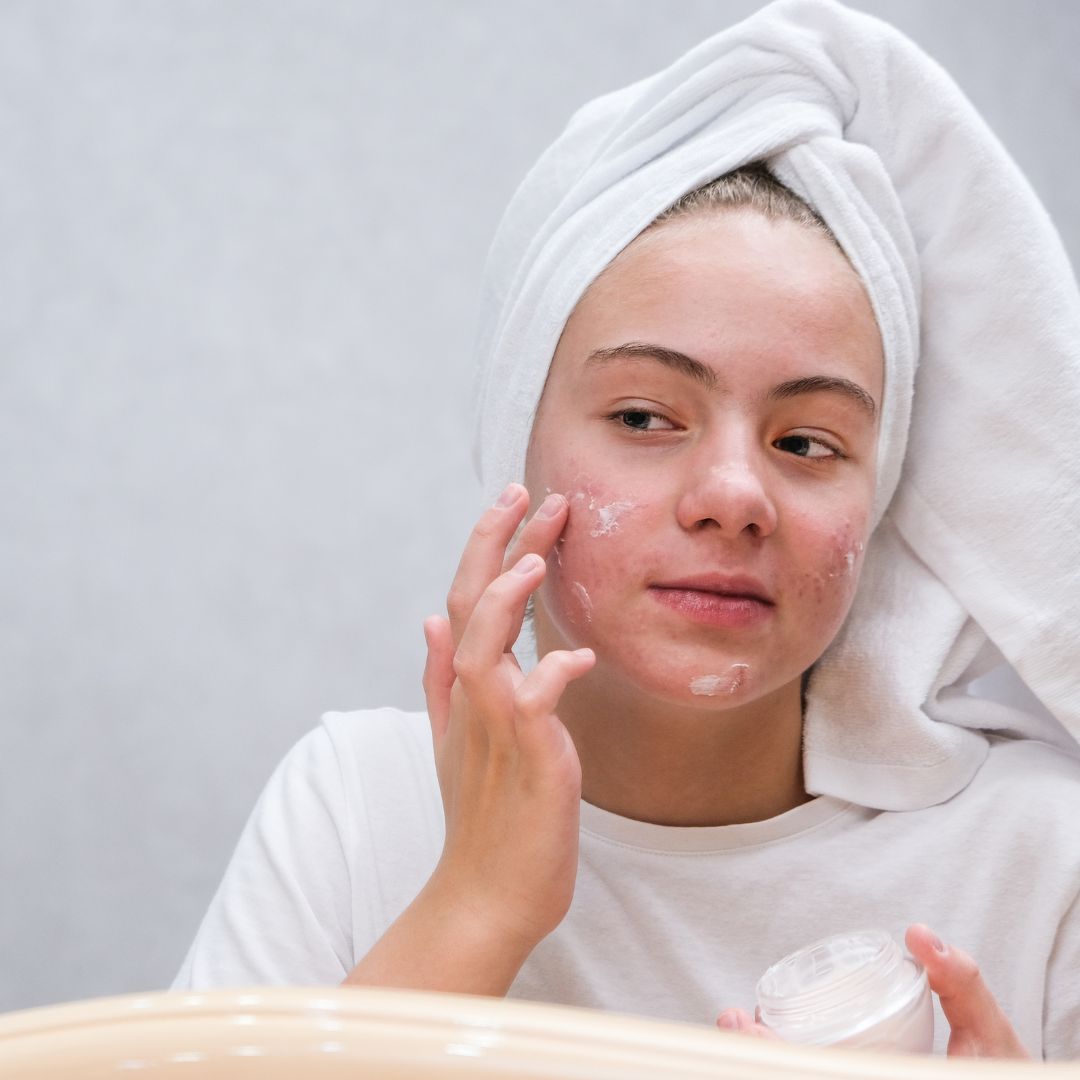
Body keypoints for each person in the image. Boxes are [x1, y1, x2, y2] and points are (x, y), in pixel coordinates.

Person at [172, 0, 1080, 1059]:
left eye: (807, 442)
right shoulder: (363, 809)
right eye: (645, 417)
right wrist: (476, 903)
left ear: (876, 500)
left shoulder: (1040, 858)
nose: (734, 495)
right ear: (517, 446)